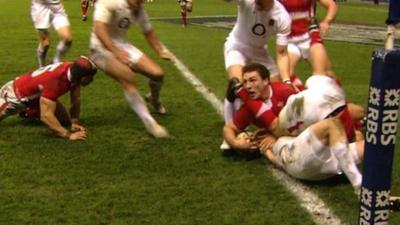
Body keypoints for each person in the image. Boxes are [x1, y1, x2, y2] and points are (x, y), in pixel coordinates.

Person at [90, 0, 172, 138]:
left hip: (123, 46)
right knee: (128, 76)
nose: (140, 2)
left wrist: (160, 51)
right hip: (100, 48)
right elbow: (99, 29)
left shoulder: (138, 9)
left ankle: (153, 99)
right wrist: (115, 52)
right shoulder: (110, 2)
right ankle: (150, 123)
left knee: (158, 74)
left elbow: (148, 31)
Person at [221, 0, 294, 150]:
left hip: (260, 51)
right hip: (237, 46)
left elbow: (281, 53)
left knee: (277, 88)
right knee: (238, 85)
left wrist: (286, 80)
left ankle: (273, 129)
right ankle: (231, 136)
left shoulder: (282, 17)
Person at [0, 56, 97, 140]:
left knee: (63, 121)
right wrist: (68, 135)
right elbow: (46, 116)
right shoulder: (55, 81)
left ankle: (31, 110)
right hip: (14, 96)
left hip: (36, 95)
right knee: (50, 117)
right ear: (82, 77)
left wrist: (75, 121)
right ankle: (29, 109)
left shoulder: (72, 71)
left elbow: (75, 100)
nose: (92, 80)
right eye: (90, 77)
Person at [259, 117, 363, 191]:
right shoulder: (279, 142)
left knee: (370, 149)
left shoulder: (279, 146)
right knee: (332, 123)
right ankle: (357, 181)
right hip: (299, 157)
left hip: (315, 169)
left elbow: (276, 161)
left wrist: (267, 153)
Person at [278, 0, 338, 85]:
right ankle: (302, 95)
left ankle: (339, 96)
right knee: (285, 75)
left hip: (310, 37)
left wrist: (326, 21)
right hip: (290, 40)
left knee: (325, 75)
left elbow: (332, 5)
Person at [31, 0, 73, 67]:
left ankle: (55, 61)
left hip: (57, 9)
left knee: (68, 39)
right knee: (45, 44)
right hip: (40, 8)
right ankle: (41, 66)